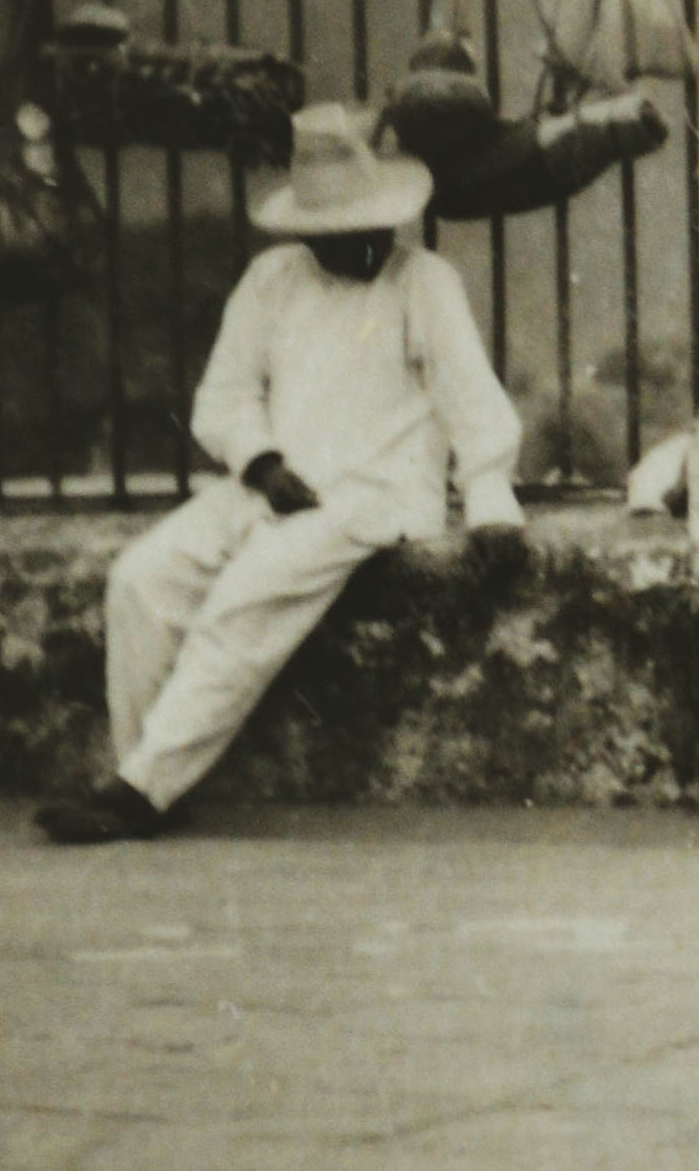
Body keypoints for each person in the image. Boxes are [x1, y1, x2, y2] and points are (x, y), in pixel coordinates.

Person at [34, 104, 525, 845]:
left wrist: (491, 504)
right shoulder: (271, 279)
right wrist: (261, 462)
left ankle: (141, 792)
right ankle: (142, 771)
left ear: (388, 220)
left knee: (243, 600)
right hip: (272, 485)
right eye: (330, 234)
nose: (350, 245)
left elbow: (472, 402)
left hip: (371, 496)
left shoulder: (423, 282)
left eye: (365, 229)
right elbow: (224, 396)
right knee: (140, 577)